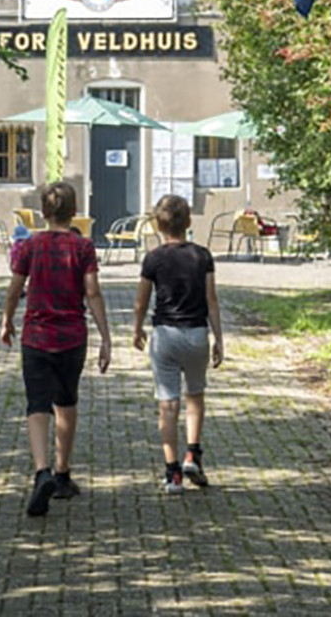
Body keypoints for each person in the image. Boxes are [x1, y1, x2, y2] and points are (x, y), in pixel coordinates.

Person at [1, 182, 111, 516]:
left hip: (35, 336)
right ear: (73, 211)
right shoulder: (83, 247)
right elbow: (92, 292)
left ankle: (41, 470)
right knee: (66, 401)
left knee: (37, 404)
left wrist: (6, 319)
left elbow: (15, 286)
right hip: (72, 337)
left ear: (44, 212)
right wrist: (106, 336)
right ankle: (63, 474)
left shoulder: (29, 246)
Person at [133, 194, 224, 494]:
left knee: (167, 404)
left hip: (166, 336)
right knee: (195, 397)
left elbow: (141, 301)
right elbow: (212, 300)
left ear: (158, 225)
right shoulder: (202, 256)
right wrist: (219, 339)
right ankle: (192, 454)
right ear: (188, 222)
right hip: (197, 333)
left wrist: (137, 329)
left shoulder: (154, 258)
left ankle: (172, 473)